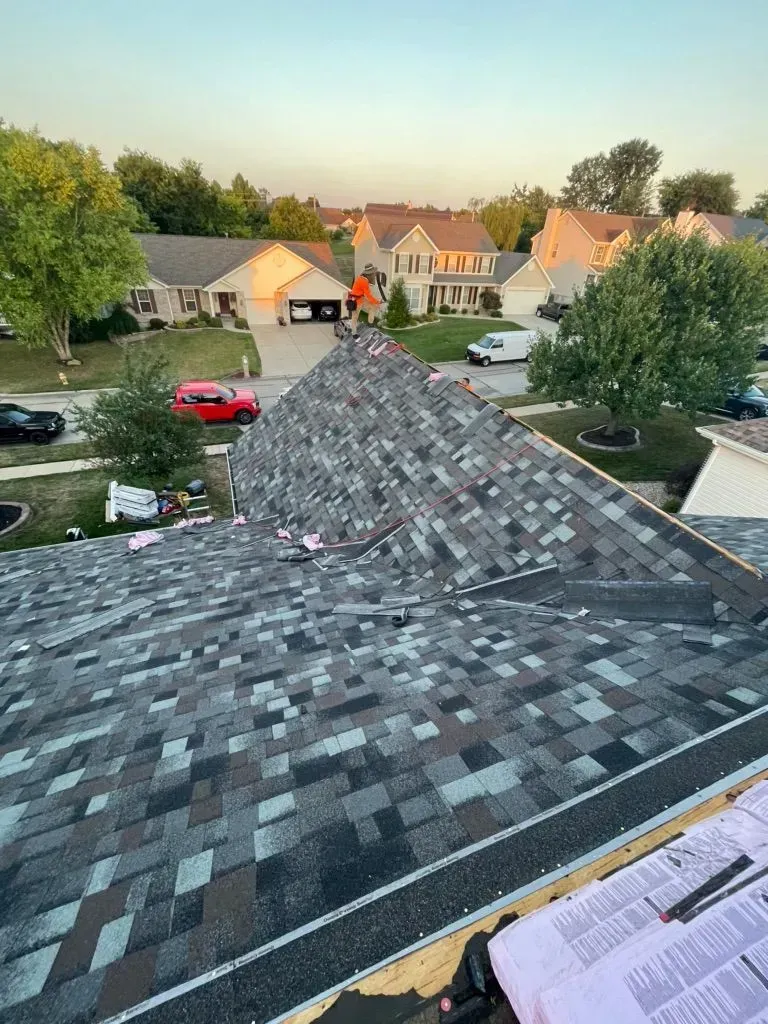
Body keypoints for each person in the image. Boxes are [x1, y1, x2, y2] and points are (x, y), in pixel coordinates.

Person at [346, 263, 381, 331]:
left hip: (360, 298)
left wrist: (376, 303)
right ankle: (352, 330)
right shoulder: (364, 281)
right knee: (355, 317)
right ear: (369, 274)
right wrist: (377, 301)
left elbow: (366, 293)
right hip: (356, 301)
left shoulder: (362, 278)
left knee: (373, 307)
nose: (374, 275)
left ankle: (370, 324)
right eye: (373, 273)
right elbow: (369, 296)